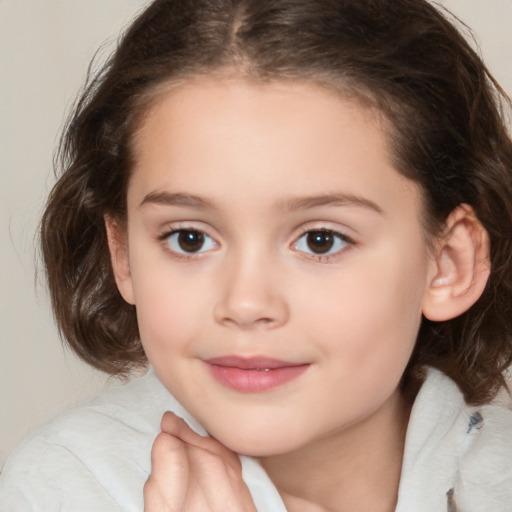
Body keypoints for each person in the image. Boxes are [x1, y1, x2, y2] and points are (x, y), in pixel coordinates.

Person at [1, 0, 512, 510]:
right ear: (124, 254)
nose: (245, 304)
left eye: (320, 240)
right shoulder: (62, 488)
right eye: (190, 239)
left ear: (448, 264)